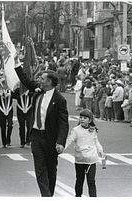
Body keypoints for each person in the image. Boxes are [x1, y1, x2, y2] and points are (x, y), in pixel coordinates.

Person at [14, 54, 69, 197]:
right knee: (40, 168)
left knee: (51, 170)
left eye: (42, 79)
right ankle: (45, 196)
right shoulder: (38, 91)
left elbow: (63, 124)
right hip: (36, 136)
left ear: (49, 82)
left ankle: (49, 194)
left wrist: (61, 142)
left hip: (50, 139)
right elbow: (25, 80)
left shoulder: (60, 100)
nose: (39, 80)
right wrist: (16, 62)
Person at [64, 109, 104, 197]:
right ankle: (78, 196)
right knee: (79, 180)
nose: (82, 119)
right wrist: (63, 147)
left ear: (89, 120)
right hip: (80, 159)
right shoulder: (76, 130)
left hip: (91, 159)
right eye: (81, 117)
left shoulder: (92, 129)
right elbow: (69, 140)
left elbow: (96, 141)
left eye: (85, 118)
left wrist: (100, 150)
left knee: (91, 180)